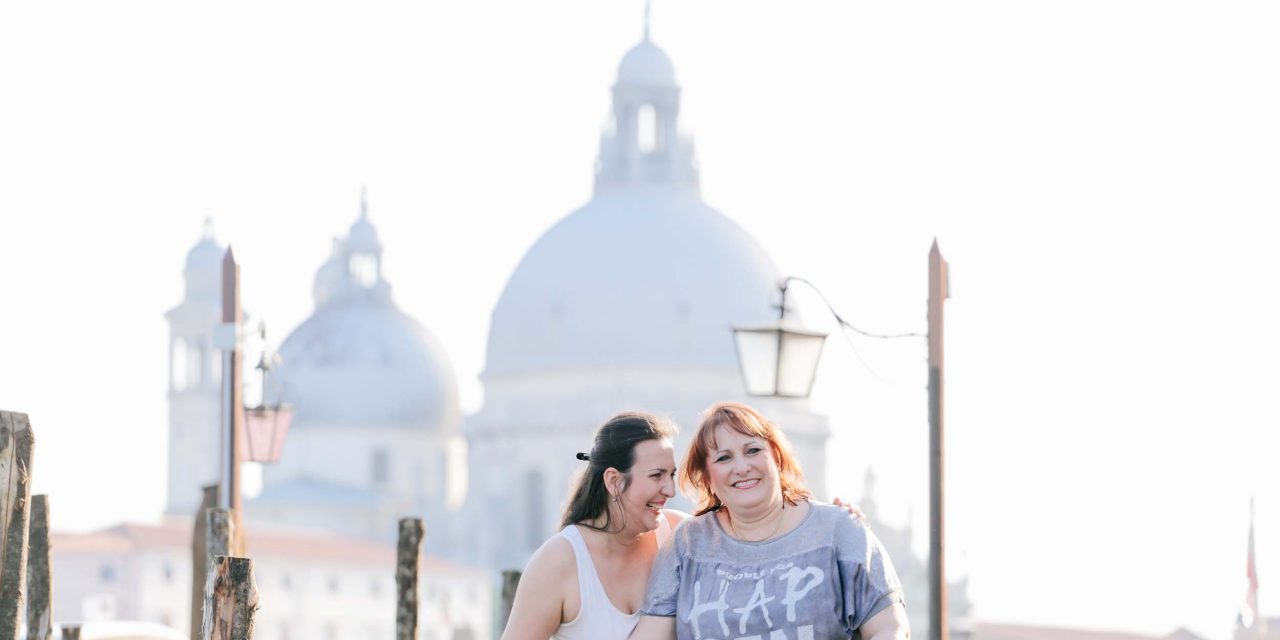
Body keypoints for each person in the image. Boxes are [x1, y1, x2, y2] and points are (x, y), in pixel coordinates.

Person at [630, 401, 910, 640]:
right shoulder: (687, 544)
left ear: (776, 456)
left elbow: (890, 628)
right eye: (724, 458)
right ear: (707, 478)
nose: (742, 467)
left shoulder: (839, 530)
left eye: (753, 450)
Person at [501, 412, 685, 640]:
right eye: (657, 475)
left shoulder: (681, 536)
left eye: (671, 475)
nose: (670, 490)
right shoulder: (558, 561)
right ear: (614, 481)